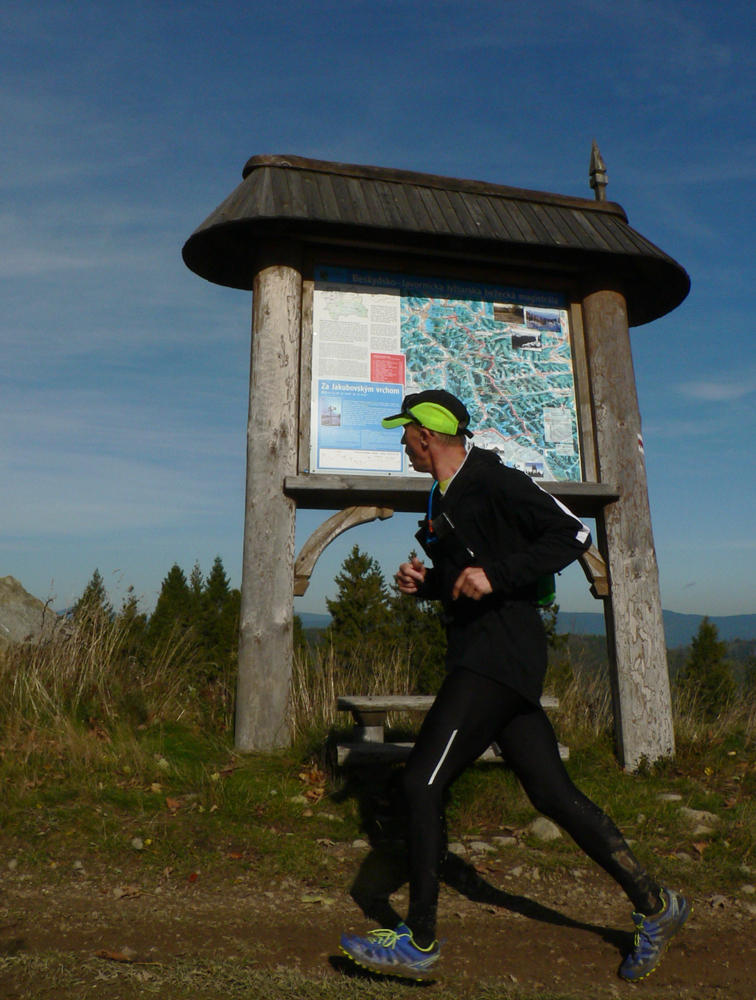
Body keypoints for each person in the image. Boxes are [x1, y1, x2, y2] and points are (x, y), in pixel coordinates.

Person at [340, 389, 690, 983]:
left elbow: (572, 534)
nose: (402, 443)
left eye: (405, 433)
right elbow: (467, 577)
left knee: (421, 782)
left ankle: (418, 941)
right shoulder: (443, 494)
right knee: (551, 794)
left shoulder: (494, 479)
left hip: (497, 657)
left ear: (427, 436)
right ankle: (657, 905)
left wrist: (497, 576)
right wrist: (427, 584)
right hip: (488, 654)